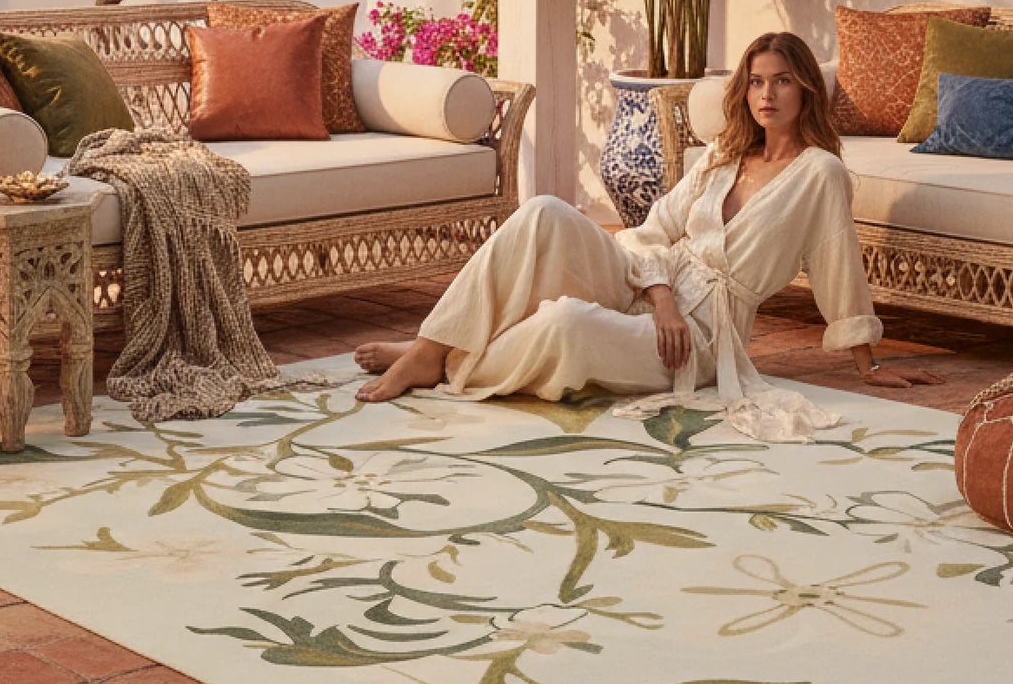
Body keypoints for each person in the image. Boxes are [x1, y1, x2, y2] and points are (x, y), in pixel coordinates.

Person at [353, 30, 940, 440]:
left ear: (806, 89)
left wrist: (870, 366)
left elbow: (841, 269)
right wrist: (660, 297)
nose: (766, 95)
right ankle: (431, 349)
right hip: (650, 287)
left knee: (566, 325)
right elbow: (651, 231)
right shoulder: (723, 154)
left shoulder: (820, 173)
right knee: (545, 211)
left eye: (782, 81)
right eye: (757, 82)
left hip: (702, 338)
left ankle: (454, 360)